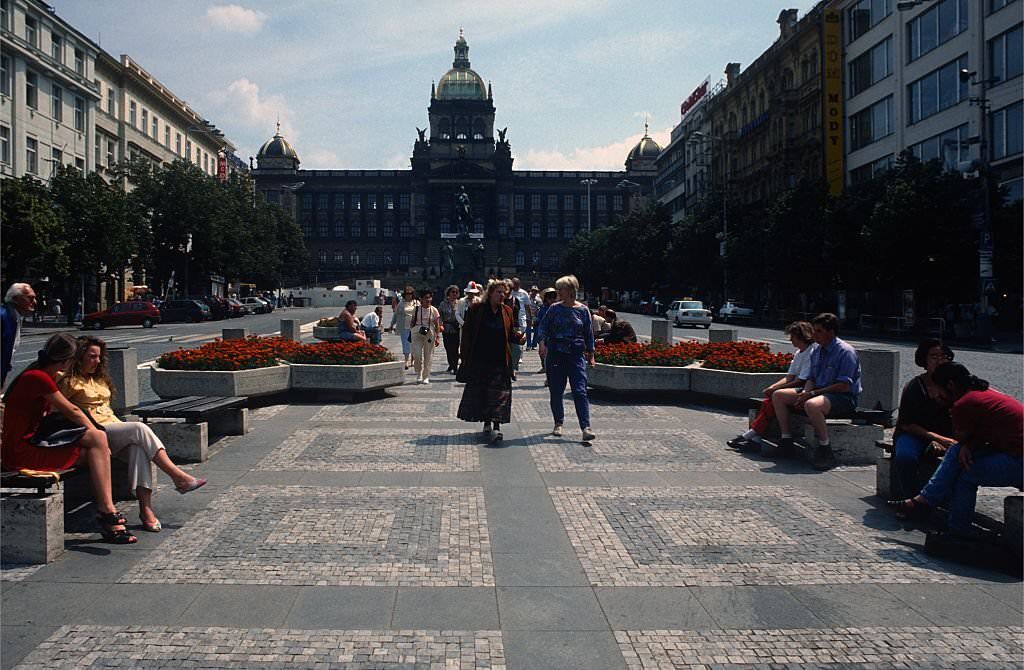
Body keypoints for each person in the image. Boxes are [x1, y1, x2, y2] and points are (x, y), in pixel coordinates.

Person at [58, 336, 206, 533]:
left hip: (114, 429)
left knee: (138, 449)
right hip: (93, 434)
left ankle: (146, 510)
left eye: (99, 357)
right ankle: (177, 476)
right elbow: (59, 412)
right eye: (92, 356)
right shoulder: (68, 380)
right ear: (79, 357)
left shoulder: (98, 378)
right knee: (139, 428)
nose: (97, 361)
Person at [1, 334, 136, 544]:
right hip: (21, 452)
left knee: (96, 448)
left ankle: (107, 512)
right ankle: (108, 513)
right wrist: (99, 435)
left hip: (31, 444)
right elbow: (72, 410)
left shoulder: (41, 374)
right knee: (97, 441)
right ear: (67, 360)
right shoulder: (37, 378)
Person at [888, 362, 1023, 534]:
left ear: (950, 385)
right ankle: (928, 504)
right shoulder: (986, 393)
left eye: (939, 390)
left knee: (965, 476)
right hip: (1011, 451)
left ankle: (953, 526)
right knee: (957, 453)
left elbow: (959, 437)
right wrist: (967, 445)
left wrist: (949, 408)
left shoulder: (964, 403)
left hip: (1018, 460)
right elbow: (976, 436)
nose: (937, 395)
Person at [765, 312, 861, 470]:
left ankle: (825, 448)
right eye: (814, 330)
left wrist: (812, 394)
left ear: (831, 332)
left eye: (819, 331)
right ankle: (786, 440)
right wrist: (805, 392)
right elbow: (811, 377)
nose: (814, 335)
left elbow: (843, 386)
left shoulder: (845, 352)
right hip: (818, 391)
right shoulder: (817, 350)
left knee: (812, 405)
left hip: (842, 397)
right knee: (779, 395)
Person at [726, 321, 817, 451]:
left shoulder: (812, 352)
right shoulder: (799, 353)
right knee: (768, 402)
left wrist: (776, 390)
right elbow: (789, 377)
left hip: (807, 388)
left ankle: (752, 435)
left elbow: (801, 380)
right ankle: (754, 438)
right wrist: (772, 387)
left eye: (792, 336)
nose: (790, 339)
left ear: (800, 336)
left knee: (776, 397)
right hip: (796, 386)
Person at [457, 280, 525, 443]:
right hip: (480, 360)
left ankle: (497, 427)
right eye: (498, 292)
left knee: (499, 396)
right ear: (490, 293)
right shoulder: (476, 310)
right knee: (484, 394)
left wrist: (519, 338)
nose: (502, 295)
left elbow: (510, 333)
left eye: (504, 293)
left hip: (500, 361)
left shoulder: (507, 311)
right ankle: (487, 423)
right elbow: (467, 333)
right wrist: (464, 356)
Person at [889, 340, 957, 499]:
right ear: (924, 360)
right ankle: (911, 498)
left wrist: (947, 439)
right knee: (906, 456)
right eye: (934, 356)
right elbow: (907, 424)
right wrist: (937, 438)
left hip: (946, 435)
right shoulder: (915, 386)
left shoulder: (954, 384)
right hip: (915, 433)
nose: (939, 361)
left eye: (943, 356)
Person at [537, 275, 596, 442]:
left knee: (580, 391)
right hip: (556, 354)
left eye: (560, 289)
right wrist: (542, 343)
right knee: (556, 391)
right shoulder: (554, 309)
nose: (558, 292)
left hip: (576, 355)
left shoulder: (583, 310)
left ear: (570, 290)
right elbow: (543, 327)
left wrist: (591, 354)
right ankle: (558, 422)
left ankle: (585, 427)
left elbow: (588, 333)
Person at [2, 283, 36, 387]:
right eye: (30, 298)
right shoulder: (2, 317)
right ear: (16, 299)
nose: (35, 302)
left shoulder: (15, 317)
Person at [409, 289, 442, 385]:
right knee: (417, 354)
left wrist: (437, 337)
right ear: (421, 299)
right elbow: (412, 322)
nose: (428, 300)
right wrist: (412, 330)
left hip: (429, 333)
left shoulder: (434, 310)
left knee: (428, 355)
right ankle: (418, 373)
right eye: (426, 298)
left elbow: (437, 325)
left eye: (429, 297)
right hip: (417, 332)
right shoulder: (416, 309)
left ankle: (425, 376)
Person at [389, 286, 419, 369]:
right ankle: (406, 361)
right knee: (406, 344)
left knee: (414, 344)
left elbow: (421, 313)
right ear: (404, 294)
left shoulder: (416, 303)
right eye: (407, 293)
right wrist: (391, 325)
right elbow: (395, 315)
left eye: (410, 293)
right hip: (404, 327)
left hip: (415, 327)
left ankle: (413, 360)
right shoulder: (401, 303)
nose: (408, 295)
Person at [534, 287, 557, 378]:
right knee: (542, 352)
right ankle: (544, 367)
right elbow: (539, 320)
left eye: (553, 297)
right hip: (543, 334)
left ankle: (550, 374)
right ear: (546, 299)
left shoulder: (558, 308)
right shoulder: (542, 309)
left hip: (554, 335)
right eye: (549, 298)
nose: (552, 300)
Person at [439, 285, 462, 374]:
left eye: (456, 292)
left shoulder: (460, 303)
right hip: (446, 328)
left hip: (456, 328)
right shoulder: (443, 303)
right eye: (453, 292)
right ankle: (451, 364)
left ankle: (455, 367)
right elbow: (439, 316)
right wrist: (440, 325)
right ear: (448, 293)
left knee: (455, 348)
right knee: (448, 348)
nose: (454, 294)